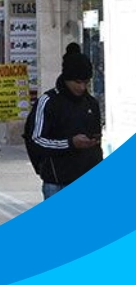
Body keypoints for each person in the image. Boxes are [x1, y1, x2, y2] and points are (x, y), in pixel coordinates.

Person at [24, 45, 102, 200]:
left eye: (86, 82)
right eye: (78, 82)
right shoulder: (48, 102)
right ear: (67, 79)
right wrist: (70, 143)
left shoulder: (91, 103)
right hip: (58, 182)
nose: (82, 87)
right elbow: (35, 139)